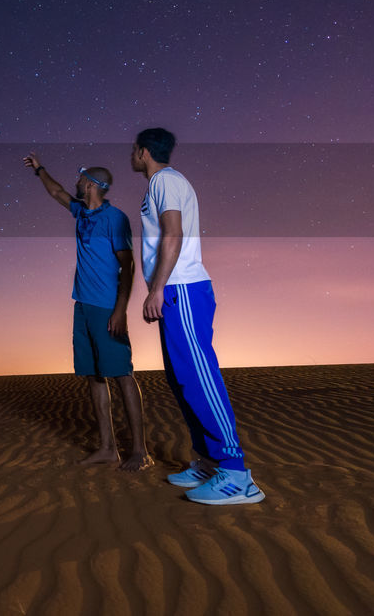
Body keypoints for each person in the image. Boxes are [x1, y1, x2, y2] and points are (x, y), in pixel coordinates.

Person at [131, 127, 265, 504]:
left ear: (143, 152)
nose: (132, 156)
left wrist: (157, 289)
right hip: (176, 290)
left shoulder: (165, 181)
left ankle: (237, 475)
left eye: (133, 150)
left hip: (183, 289)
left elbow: (173, 234)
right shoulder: (161, 183)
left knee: (199, 377)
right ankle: (208, 462)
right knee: (182, 381)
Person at [24, 152, 152, 472]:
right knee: (94, 376)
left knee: (122, 375)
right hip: (82, 305)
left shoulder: (115, 218)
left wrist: (120, 310)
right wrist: (40, 169)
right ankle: (108, 448)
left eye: (81, 179)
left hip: (107, 306)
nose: (76, 182)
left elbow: (128, 264)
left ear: (93, 184)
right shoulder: (81, 212)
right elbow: (56, 192)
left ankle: (140, 451)